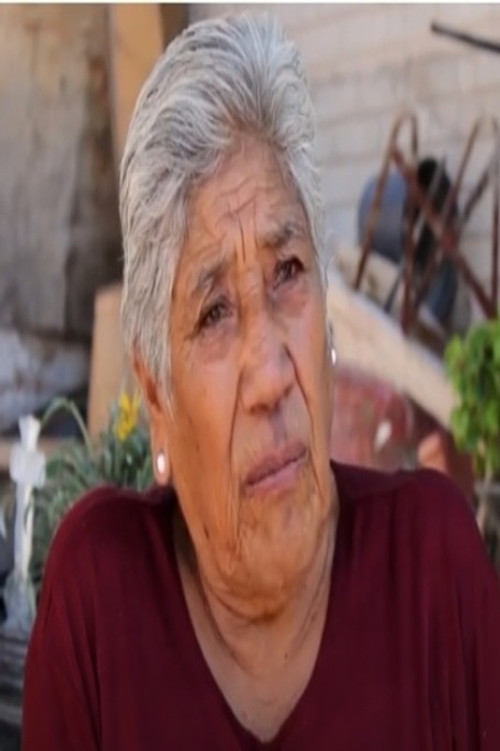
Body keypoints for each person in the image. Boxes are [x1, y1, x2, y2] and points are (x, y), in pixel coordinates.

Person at [22, 14, 500, 750]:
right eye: (213, 312)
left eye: (289, 273)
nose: (273, 375)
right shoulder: (100, 603)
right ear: (156, 395)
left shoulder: (432, 569)